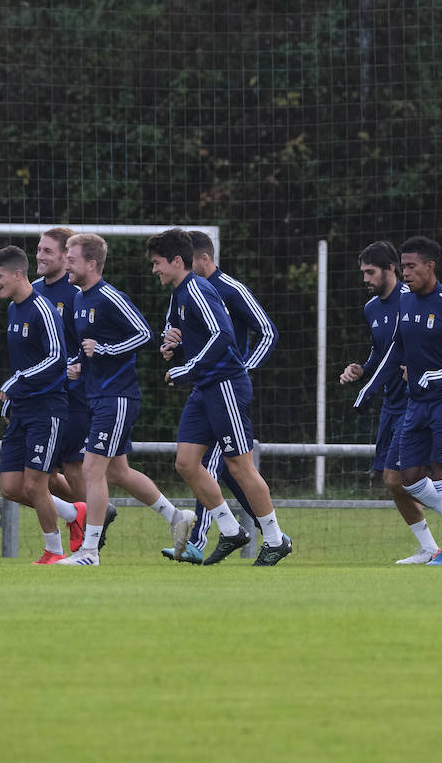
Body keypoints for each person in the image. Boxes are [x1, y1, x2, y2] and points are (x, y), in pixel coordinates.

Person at [150, 228, 292, 566]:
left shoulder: (199, 288)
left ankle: (275, 539)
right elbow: (192, 339)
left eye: (157, 263)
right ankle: (230, 531)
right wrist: (172, 344)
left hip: (225, 385)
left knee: (239, 467)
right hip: (204, 388)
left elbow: (223, 336)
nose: (154, 270)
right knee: (185, 463)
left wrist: (187, 368)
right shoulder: (179, 294)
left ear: (177, 261)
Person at [57, 233, 193, 566]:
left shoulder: (109, 296)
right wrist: (78, 365)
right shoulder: (78, 300)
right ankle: (177, 517)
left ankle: (89, 552)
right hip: (98, 396)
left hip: (117, 397)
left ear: (91, 264)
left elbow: (143, 333)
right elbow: (84, 345)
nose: (66, 264)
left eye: (71, 259)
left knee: (91, 469)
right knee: (117, 471)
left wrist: (102, 350)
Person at [377, 235, 442, 567]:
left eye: (411, 266)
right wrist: (371, 382)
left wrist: (438, 374)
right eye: (403, 266)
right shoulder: (405, 299)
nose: (405, 273)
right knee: (407, 477)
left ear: (430, 266)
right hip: (416, 402)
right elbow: (397, 345)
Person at [342, 242, 441, 563]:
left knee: (400, 478)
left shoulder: (409, 301)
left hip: (417, 403)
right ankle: (430, 545)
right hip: (391, 405)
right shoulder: (372, 308)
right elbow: (380, 352)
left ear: (391, 269)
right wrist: (362, 370)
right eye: (363, 273)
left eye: (371, 272)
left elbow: (428, 344)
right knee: (393, 481)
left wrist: (418, 367)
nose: (366, 279)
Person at [0, 246, 71, 564]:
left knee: (35, 483)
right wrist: (11, 402)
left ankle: (55, 551)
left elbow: (56, 360)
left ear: (18, 274)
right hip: (21, 411)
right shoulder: (13, 310)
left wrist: (14, 384)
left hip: (47, 410)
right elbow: (24, 361)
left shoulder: (43, 309)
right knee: (10, 487)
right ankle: (73, 513)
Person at [32, 227, 94, 539]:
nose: (40, 256)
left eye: (48, 251)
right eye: (39, 250)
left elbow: (89, 346)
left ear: (65, 258)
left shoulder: (77, 294)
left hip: (72, 397)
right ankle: (84, 515)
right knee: (41, 473)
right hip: (37, 396)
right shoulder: (30, 291)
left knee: (73, 465)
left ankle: (92, 530)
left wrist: (79, 367)